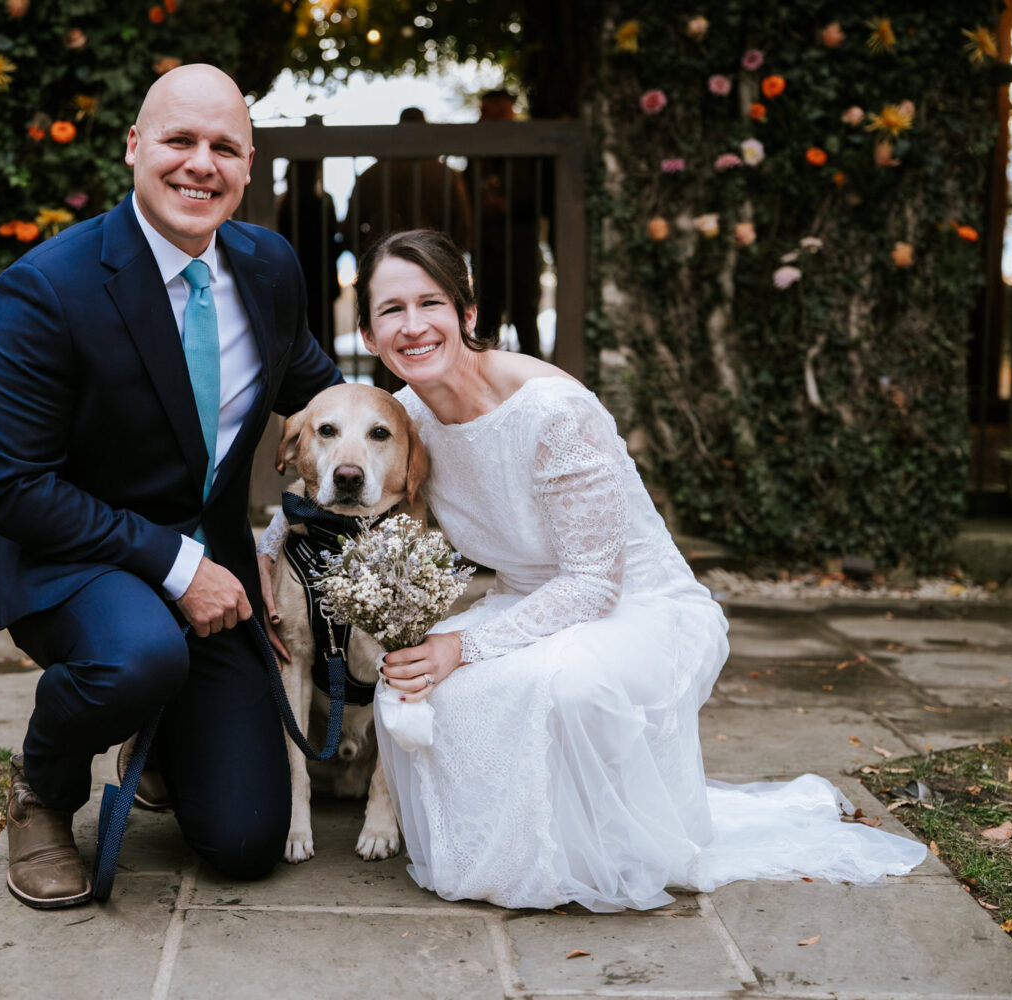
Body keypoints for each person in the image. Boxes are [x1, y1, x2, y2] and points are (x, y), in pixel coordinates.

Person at [258, 229, 926, 911]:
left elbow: (594, 583)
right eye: (391, 310)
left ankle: (581, 846)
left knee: (553, 684)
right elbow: (345, 496)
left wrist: (461, 645)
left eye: (430, 302)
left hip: (629, 606)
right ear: (369, 334)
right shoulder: (405, 420)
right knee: (429, 696)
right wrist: (269, 544)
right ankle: (518, 838)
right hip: (529, 600)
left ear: (467, 314)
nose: (413, 324)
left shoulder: (552, 409)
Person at [0, 64, 340, 910]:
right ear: (135, 146)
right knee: (138, 654)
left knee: (245, 840)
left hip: (212, 568)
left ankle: (166, 733)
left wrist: (463, 387)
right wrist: (178, 568)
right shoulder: (45, 291)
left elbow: (319, 393)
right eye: (179, 140)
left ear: (249, 166)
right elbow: (15, 488)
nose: (200, 164)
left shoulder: (270, 266)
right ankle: (44, 789)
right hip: (68, 553)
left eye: (224, 147)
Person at [345, 107, 473, 391]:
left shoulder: (371, 175)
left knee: (390, 344)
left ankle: (387, 403)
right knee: (436, 345)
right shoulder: (445, 175)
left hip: (381, 271)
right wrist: (446, 263)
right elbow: (463, 228)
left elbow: (349, 229)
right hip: (435, 269)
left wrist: (369, 267)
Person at [471, 89, 547, 360]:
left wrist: (509, 206)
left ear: (505, 111)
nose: (482, 117)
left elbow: (543, 197)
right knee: (486, 325)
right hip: (487, 250)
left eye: (488, 111)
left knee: (525, 320)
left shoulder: (528, 146)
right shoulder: (477, 148)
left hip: (520, 248)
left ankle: (534, 384)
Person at [275, 116, 342, 361]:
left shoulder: (282, 204)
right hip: (320, 282)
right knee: (323, 342)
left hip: (292, 279)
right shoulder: (324, 201)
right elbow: (334, 243)